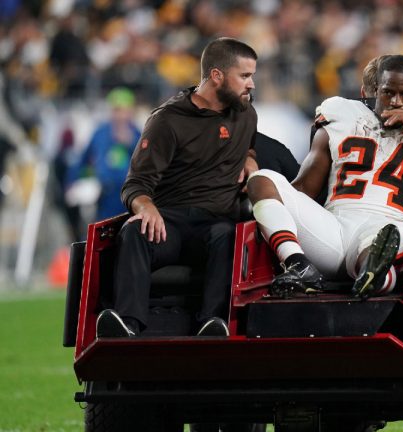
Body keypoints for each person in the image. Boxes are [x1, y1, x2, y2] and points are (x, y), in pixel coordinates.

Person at [247, 55, 403, 299]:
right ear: (375, 90)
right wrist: (267, 207)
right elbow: (304, 187)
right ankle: (298, 264)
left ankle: (374, 275)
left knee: (385, 242)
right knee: (262, 178)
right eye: (388, 93)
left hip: (390, 222)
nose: (395, 102)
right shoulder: (341, 113)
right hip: (332, 228)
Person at [96, 37, 260, 338]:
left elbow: (249, 148)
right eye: (245, 76)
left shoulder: (246, 114)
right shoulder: (167, 121)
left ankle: (213, 325)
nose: (251, 85)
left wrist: (250, 160)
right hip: (169, 222)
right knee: (134, 230)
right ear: (216, 76)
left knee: (227, 234)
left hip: (215, 223)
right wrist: (146, 206)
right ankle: (127, 326)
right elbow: (135, 184)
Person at [66, 87, 141, 221]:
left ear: (131, 112)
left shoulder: (138, 135)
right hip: (104, 196)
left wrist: (131, 143)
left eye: (124, 111)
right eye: (116, 110)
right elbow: (83, 159)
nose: (120, 115)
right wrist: (71, 182)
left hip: (129, 198)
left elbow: (147, 165)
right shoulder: (100, 133)